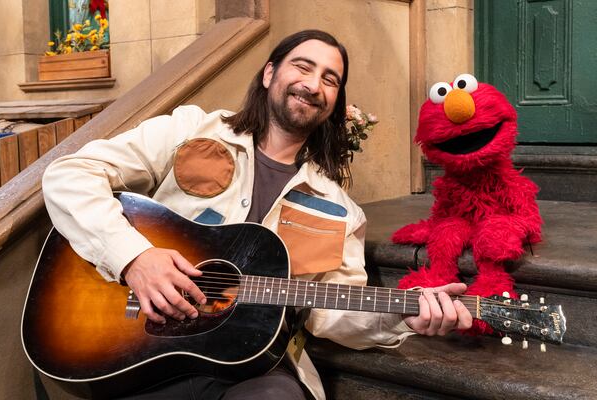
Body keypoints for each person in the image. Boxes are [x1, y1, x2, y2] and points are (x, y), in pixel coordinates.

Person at [42, 30, 473, 399]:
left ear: (335, 100)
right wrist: (134, 257)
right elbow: (68, 174)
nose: (313, 84)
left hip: (253, 368)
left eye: (330, 79)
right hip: (140, 350)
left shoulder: (340, 209)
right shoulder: (191, 130)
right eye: (302, 67)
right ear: (269, 74)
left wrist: (404, 314)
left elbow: (332, 314)